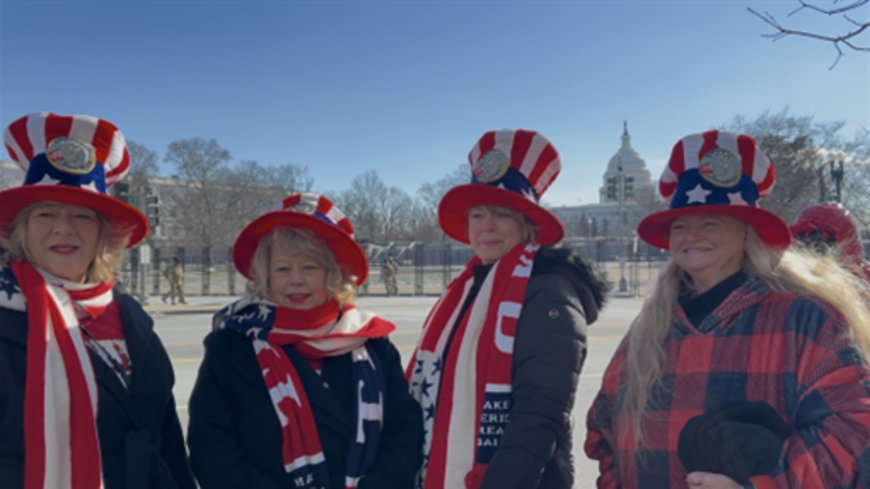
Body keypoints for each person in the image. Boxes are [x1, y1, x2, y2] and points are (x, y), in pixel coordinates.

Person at [585, 130, 870, 488]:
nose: (692, 236)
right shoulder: (650, 326)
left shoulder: (805, 317)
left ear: (747, 232)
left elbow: (854, 431)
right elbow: (605, 429)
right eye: (680, 225)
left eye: (710, 222)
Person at [0, 112, 196, 489]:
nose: (64, 227)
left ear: (103, 234)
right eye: (46, 213)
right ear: (22, 230)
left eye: (82, 215)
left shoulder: (131, 316)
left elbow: (166, 435)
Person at [408, 129, 608, 489]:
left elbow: (538, 416)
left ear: (526, 223)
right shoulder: (466, 289)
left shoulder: (548, 292)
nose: (486, 227)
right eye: (478, 215)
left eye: (501, 214)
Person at [187, 192, 423, 489]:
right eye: (283, 269)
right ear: (266, 276)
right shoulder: (232, 346)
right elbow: (212, 447)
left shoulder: (371, 343)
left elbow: (404, 430)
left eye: (309, 267)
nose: (295, 280)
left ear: (333, 274)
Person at [791, 201, 870, 281]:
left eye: (817, 236)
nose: (806, 243)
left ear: (846, 242)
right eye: (800, 237)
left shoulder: (865, 282)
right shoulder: (792, 277)